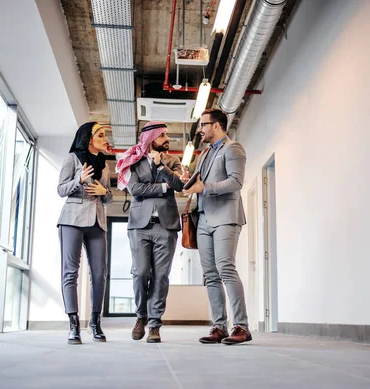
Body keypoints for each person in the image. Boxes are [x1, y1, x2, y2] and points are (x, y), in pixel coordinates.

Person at [183, 109, 252, 345]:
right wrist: (189, 180)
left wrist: (206, 188)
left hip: (225, 216)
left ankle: (241, 326)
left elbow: (236, 181)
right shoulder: (204, 154)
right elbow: (200, 183)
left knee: (225, 268)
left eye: (204, 124)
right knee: (210, 275)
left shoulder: (233, 149)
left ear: (217, 125)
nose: (200, 129)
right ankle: (219, 326)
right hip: (203, 218)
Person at [116, 121, 185, 343]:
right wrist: (162, 188)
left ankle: (154, 324)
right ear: (151, 138)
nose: (167, 138)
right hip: (139, 225)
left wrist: (162, 168)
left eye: (166, 134)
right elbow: (134, 189)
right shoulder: (133, 161)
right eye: (162, 135)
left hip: (167, 225)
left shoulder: (172, 161)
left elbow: (179, 185)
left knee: (161, 275)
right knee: (141, 272)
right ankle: (140, 316)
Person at [57, 122, 112, 344]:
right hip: (72, 220)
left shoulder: (105, 165)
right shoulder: (72, 159)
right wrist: (79, 180)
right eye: (100, 134)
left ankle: (95, 323)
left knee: (100, 273)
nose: (104, 137)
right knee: (70, 272)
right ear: (89, 138)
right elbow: (61, 189)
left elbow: (108, 197)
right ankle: (73, 324)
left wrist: (103, 191)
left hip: (97, 221)